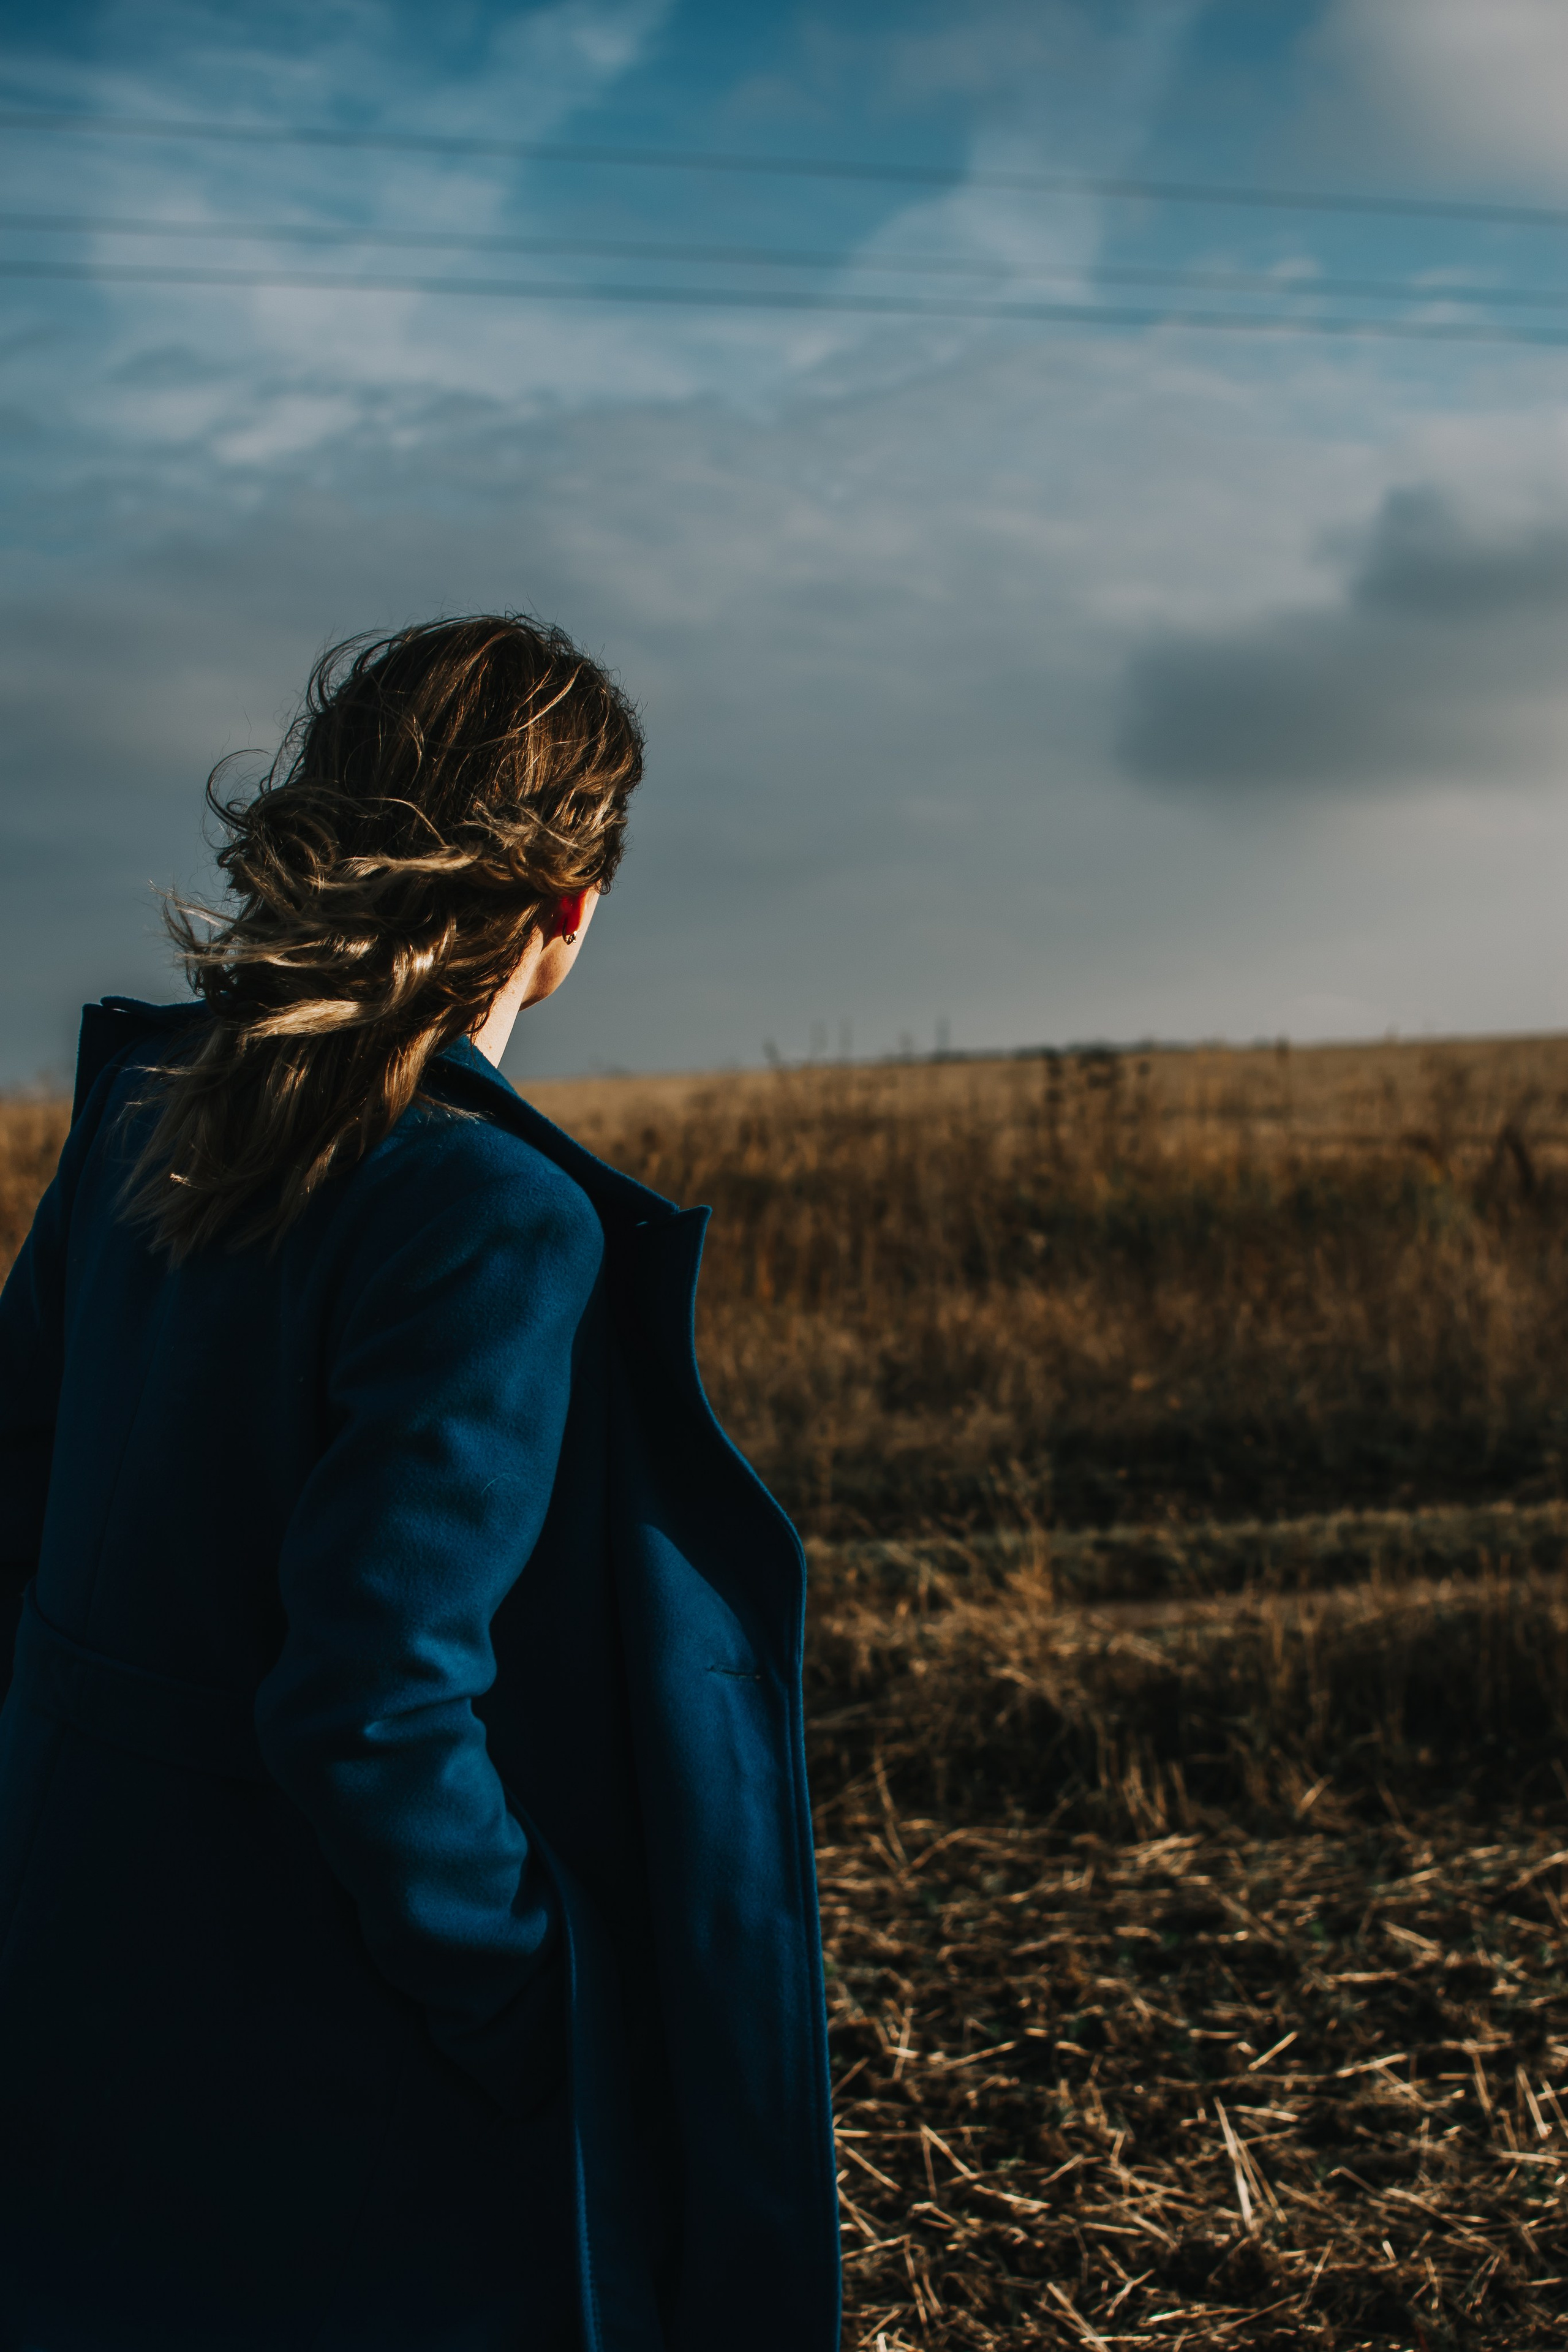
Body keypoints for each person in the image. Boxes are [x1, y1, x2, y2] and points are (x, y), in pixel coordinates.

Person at [0, 617, 840, 2352]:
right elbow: (372, 1705)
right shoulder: (486, 1215)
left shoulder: (139, 1122)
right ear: (569, 913)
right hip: (326, 2062)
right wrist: (533, 2010)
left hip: (69, 1975)